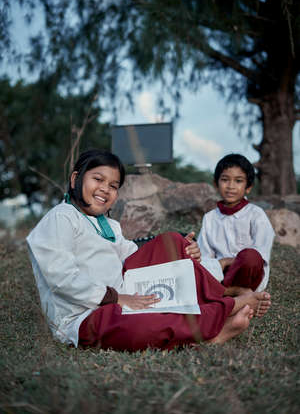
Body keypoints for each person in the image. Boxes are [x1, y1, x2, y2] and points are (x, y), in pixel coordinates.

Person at [27, 149, 271, 352]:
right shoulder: (61, 217)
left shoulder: (108, 224)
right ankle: (220, 319)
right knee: (142, 326)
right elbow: (61, 278)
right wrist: (117, 298)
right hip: (86, 314)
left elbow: (134, 258)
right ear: (75, 179)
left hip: (129, 292)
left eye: (113, 185)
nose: (105, 189)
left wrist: (186, 253)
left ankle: (221, 299)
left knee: (173, 242)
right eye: (98, 179)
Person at [197, 153, 275, 296]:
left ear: (248, 187)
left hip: (248, 272)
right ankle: (229, 293)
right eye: (225, 180)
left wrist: (236, 261)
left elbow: (261, 253)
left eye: (238, 181)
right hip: (221, 272)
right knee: (197, 266)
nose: (231, 186)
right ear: (216, 184)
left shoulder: (256, 214)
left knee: (250, 256)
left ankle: (224, 293)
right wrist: (223, 263)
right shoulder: (210, 218)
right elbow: (205, 257)